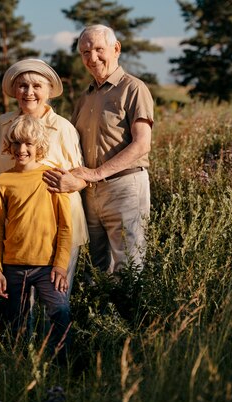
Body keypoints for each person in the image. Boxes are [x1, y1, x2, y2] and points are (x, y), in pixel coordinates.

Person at [46, 24, 154, 274]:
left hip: (125, 187)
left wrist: (94, 174)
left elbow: (141, 144)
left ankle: (131, 314)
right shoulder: (85, 97)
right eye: (85, 52)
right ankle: (104, 314)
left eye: (98, 49)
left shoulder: (134, 88)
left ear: (116, 49)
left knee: (129, 267)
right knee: (98, 269)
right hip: (91, 192)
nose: (92, 57)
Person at [0, 58, 88, 294]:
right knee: (22, 306)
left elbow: (81, 175)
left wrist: (73, 182)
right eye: (23, 85)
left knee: (55, 301)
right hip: (19, 232)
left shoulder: (63, 128)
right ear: (15, 90)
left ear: (48, 91)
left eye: (37, 86)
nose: (29, 92)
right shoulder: (4, 125)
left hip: (58, 230)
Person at [0, 114, 72, 359]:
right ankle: (20, 370)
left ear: (40, 146)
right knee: (17, 326)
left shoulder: (53, 176)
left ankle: (62, 368)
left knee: (60, 314)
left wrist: (60, 264)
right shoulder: (2, 181)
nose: (22, 149)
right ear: (9, 145)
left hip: (48, 267)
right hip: (13, 267)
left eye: (28, 144)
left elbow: (66, 227)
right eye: (16, 143)